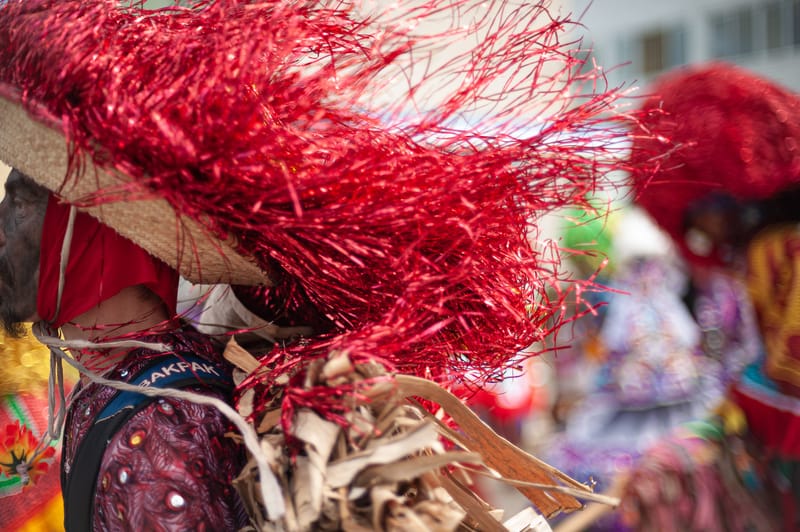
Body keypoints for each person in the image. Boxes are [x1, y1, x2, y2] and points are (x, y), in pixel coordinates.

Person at [0, 0, 656, 529]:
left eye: (20, 201)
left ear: (87, 225)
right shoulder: (125, 382)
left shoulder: (161, 416)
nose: (2, 226)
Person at [621, 62, 800, 531]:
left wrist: (692, 445)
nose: (698, 234)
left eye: (695, 215)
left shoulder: (779, 249)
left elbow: (789, 389)